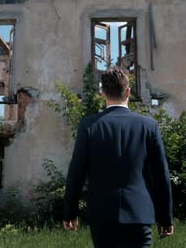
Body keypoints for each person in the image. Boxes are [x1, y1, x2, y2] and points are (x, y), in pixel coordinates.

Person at [63, 68, 174, 247]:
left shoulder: (88, 125)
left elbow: (76, 172)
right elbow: (161, 175)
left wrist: (69, 212)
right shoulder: (149, 126)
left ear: (103, 94)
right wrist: (166, 217)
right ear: (128, 91)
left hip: (102, 216)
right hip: (140, 215)